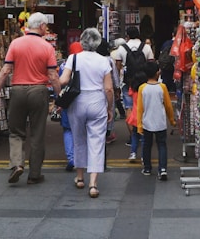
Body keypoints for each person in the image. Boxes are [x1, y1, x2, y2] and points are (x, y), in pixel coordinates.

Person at [0, 12, 61, 185]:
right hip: (39, 91)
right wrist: (59, 95)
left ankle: (17, 164)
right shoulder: (47, 47)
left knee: (16, 131)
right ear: (42, 26)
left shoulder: (16, 43)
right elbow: (52, 75)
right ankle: (34, 174)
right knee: (37, 133)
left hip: (18, 90)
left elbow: (5, 70)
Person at [59, 28, 114, 199]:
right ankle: (93, 184)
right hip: (97, 100)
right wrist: (110, 107)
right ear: (98, 43)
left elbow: (64, 80)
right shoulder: (104, 61)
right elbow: (109, 88)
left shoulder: (73, 58)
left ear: (82, 41)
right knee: (97, 142)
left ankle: (80, 177)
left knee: (78, 139)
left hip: (78, 101)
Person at [137, 61, 176, 180]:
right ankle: (162, 169)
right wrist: (172, 120)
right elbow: (168, 106)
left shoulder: (142, 88)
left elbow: (140, 108)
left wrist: (139, 125)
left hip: (147, 122)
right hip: (160, 122)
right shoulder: (162, 87)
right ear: (157, 73)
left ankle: (147, 168)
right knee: (162, 145)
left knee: (146, 145)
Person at [115, 28, 154, 144]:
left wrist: (118, 83)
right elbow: (151, 64)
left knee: (129, 107)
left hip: (129, 82)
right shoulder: (146, 47)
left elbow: (118, 66)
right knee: (145, 107)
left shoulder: (122, 48)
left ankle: (133, 136)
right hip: (144, 82)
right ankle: (144, 134)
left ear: (127, 36)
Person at [58, 41, 83, 171]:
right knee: (82, 129)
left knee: (68, 129)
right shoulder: (86, 62)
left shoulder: (64, 65)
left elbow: (60, 82)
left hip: (68, 99)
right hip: (83, 99)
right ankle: (82, 159)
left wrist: (58, 99)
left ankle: (71, 158)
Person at [126, 70, 147, 162]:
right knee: (143, 138)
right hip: (144, 116)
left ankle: (133, 153)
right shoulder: (145, 90)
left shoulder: (133, 90)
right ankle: (143, 156)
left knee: (134, 136)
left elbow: (129, 93)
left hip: (135, 116)